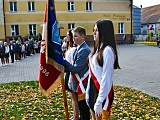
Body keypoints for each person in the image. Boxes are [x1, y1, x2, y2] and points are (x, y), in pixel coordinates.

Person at [86, 19, 120, 120]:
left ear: (104, 32)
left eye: (97, 30)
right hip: (93, 90)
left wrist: (100, 100)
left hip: (102, 92)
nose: (94, 33)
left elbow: (106, 76)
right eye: (94, 30)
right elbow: (92, 73)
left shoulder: (107, 50)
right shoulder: (97, 49)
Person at [63, 26, 91, 120]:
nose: (73, 38)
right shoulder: (79, 48)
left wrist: (63, 61)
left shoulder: (84, 50)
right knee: (81, 107)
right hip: (78, 84)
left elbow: (75, 69)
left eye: (75, 36)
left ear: (83, 37)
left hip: (82, 84)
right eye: (73, 36)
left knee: (84, 110)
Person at [64, 29, 80, 120]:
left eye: (68, 35)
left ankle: (76, 115)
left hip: (72, 72)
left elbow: (72, 62)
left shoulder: (74, 49)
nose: (66, 37)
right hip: (68, 72)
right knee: (72, 96)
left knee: (74, 96)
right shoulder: (69, 48)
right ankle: (74, 114)